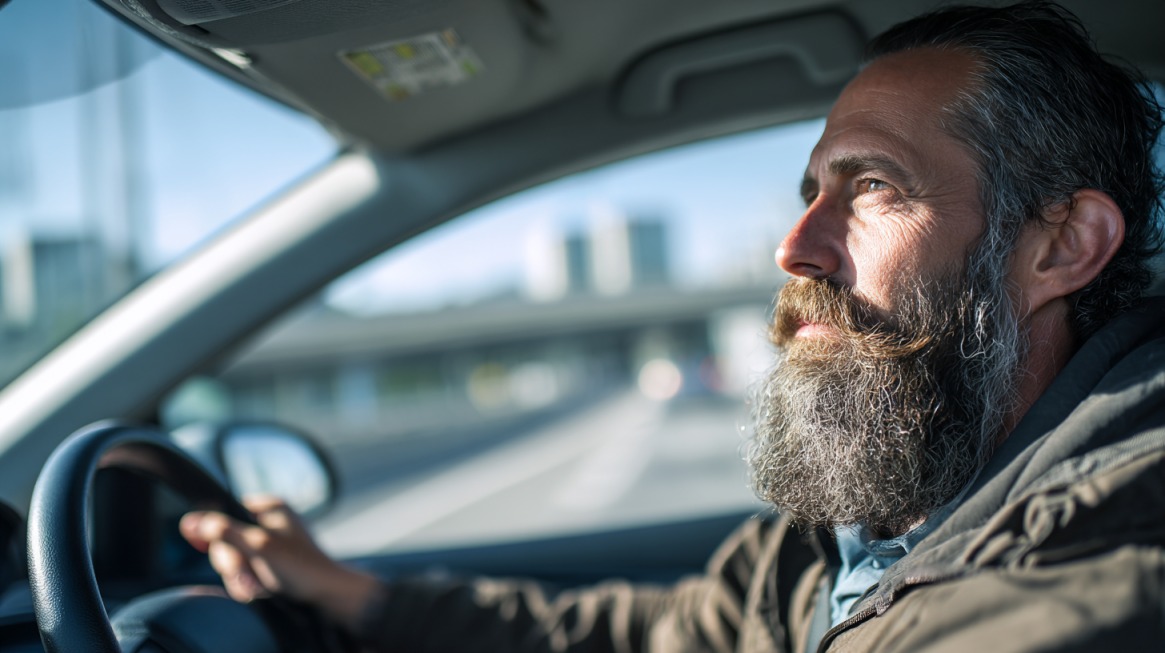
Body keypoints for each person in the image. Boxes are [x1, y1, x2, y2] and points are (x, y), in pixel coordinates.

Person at [180, 2, 1165, 651]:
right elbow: (655, 634)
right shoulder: (870, 520)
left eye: (870, 186)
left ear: (1063, 245)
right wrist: (358, 596)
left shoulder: (1097, 576)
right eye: (808, 190)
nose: (795, 247)